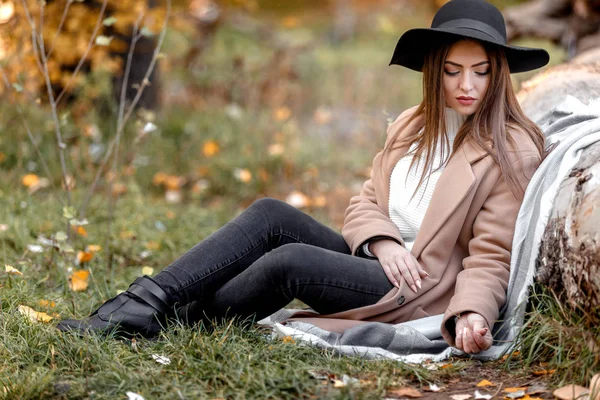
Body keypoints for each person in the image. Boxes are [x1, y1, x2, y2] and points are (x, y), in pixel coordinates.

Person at [58, 0, 549, 355]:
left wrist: (472, 314)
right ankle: (142, 304)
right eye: (454, 71)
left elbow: (492, 255)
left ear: (499, 73)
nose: (467, 86)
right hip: (382, 262)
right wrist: (382, 242)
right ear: (434, 71)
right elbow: (365, 204)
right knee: (271, 213)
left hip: (416, 289)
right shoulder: (411, 125)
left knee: (289, 261)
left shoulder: (509, 150)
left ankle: (171, 322)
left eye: (481, 72)